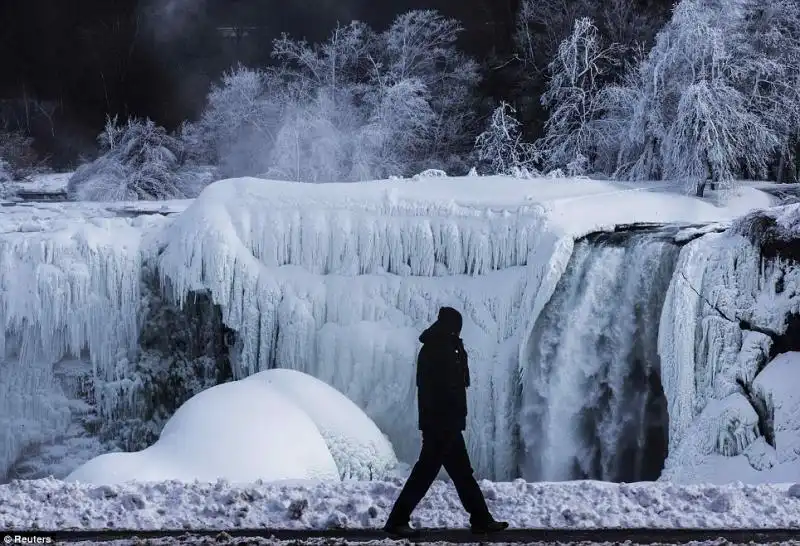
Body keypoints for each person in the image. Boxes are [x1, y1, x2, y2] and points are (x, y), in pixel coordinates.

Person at [383, 306, 509, 537]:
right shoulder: (437, 349)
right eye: (457, 327)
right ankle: (397, 521)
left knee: (461, 474)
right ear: (451, 326)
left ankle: (481, 519)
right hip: (441, 425)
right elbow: (437, 390)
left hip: (445, 424)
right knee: (427, 474)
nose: (458, 332)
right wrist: (443, 422)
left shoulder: (445, 347)